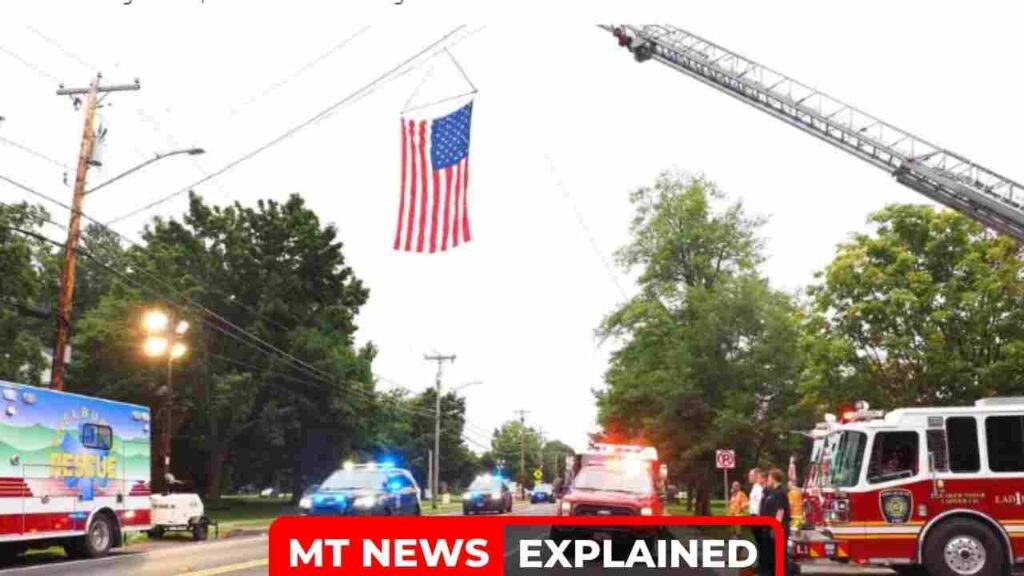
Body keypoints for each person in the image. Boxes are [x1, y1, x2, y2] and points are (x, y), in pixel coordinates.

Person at [761, 469, 793, 576]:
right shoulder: (773, 492)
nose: (768, 481)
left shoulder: (780, 493)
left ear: (774, 479)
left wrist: (776, 528)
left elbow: (780, 511)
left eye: (769, 478)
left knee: (781, 556)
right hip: (771, 529)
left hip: (779, 530)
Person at [747, 468, 766, 571]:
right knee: (758, 541)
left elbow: (760, 504)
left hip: (757, 517)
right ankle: (760, 563)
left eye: (751, 475)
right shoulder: (755, 487)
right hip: (752, 516)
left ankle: (761, 565)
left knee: (760, 541)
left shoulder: (759, 489)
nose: (749, 477)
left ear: (756, 476)